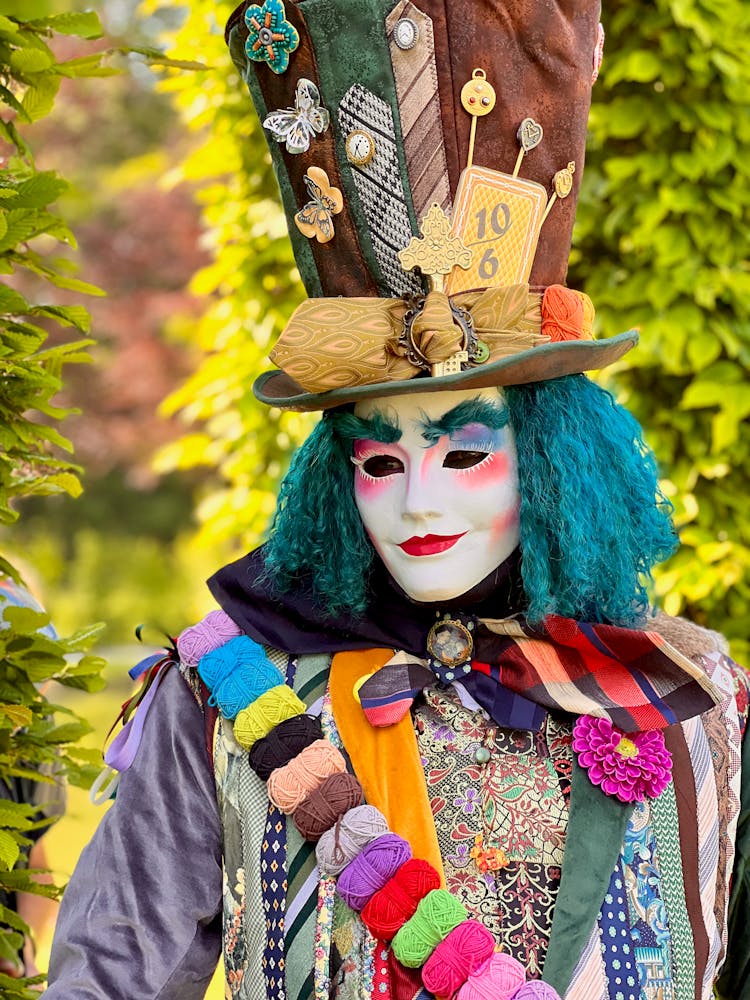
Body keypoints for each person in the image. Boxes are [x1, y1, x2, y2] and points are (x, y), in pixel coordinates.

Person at [45, 1, 749, 998]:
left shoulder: (698, 697)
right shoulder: (220, 699)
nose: (416, 503)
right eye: (377, 462)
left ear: (552, 461)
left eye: (464, 453)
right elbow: (107, 976)